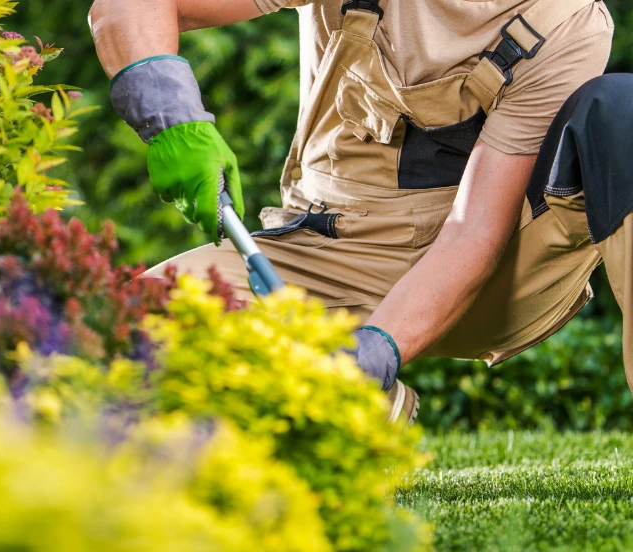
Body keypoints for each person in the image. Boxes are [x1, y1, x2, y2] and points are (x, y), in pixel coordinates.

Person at [89, 0, 632, 425]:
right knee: (114, 339)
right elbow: (128, 6)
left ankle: (352, 382)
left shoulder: (568, 24)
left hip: (496, 271)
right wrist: (172, 116)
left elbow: (473, 233)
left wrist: (376, 350)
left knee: (624, 113)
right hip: (327, 251)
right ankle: (357, 413)